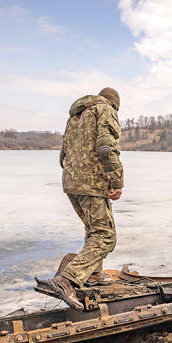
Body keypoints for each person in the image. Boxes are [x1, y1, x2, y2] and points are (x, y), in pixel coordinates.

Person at [49, 87, 123, 310]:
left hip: (71, 181)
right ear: (114, 104)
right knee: (106, 236)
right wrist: (116, 181)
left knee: (93, 230)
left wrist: (75, 176)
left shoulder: (75, 117)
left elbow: (63, 156)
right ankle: (68, 278)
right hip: (92, 182)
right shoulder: (105, 110)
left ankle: (92, 274)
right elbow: (105, 148)